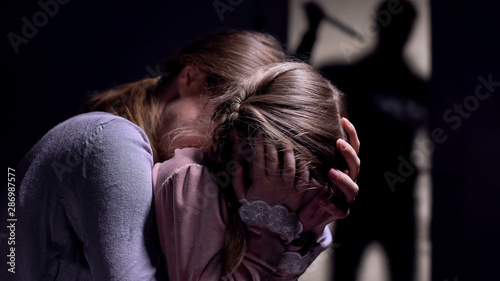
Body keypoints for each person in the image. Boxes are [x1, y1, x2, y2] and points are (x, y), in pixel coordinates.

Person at [4, 30, 360, 281]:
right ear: (191, 78)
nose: (222, 146)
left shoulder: (175, 185)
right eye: (228, 117)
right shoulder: (111, 141)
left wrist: (306, 221)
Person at [152, 61, 359, 280]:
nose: (289, 219)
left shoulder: (284, 221)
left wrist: (305, 231)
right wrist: (268, 229)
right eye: (287, 210)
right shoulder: (191, 183)